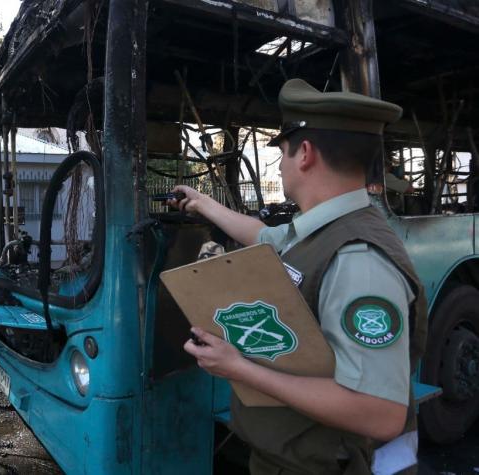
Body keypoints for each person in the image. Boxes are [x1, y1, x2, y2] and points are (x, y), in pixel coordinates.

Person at [170, 79, 427, 475]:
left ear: (304, 153)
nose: (280, 165)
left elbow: (380, 413)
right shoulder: (322, 228)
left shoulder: (358, 260)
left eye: (282, 153)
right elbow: (262, 235)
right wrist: (203, 203)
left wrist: (237, 367)